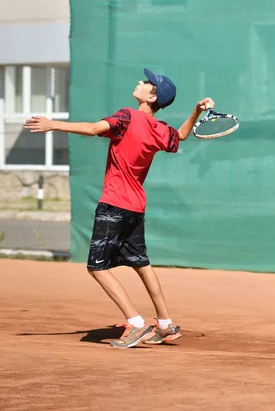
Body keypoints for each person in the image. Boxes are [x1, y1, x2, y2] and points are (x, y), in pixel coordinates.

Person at [23, 68, 214, 348]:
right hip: (136, 207)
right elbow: (181, 136)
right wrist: (195, 111)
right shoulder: (159, 129)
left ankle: (135, 323)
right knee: (141, 263)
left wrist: (54, 124)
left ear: (152, 96)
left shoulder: (127, 116)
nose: (141, 82)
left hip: (114, 204)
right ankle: (164, 324)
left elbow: (92, 129)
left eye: (147, 82)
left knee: (96, 267)